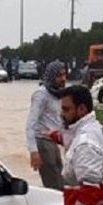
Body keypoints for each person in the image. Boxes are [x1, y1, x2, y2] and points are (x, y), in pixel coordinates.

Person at [25, 60, 67, 190]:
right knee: (54, 186)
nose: (63, 79)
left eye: (64, 75)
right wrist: (33, 151)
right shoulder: (41, 95)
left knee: (61, 180)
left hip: (54, 142)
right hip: (43, 143)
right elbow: (30, 123)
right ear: (51, 76)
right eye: (59, 76)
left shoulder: (58, 94)